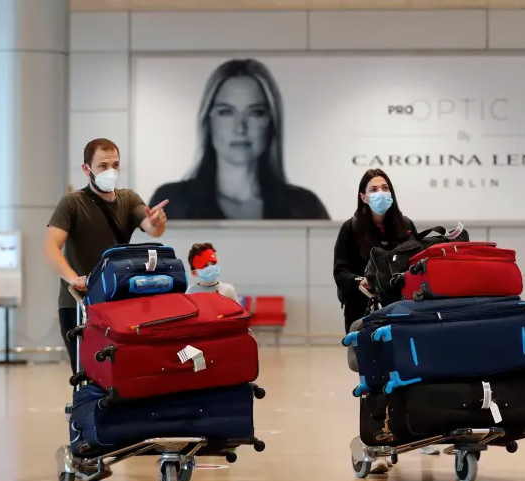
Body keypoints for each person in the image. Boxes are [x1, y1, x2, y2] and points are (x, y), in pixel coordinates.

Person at [332, 169, 439, 470]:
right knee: (373, 380)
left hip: (401, 312)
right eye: (374, 189)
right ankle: (375, 441)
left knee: (413, 371)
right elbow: (339, 270)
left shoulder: (404, 226)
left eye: (385, 187)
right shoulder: (350, 229)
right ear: (363, 197)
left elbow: (417, 263)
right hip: (364, 313)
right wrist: (357, 282)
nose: (381, 193)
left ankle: (422, 430)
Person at [45, 138, 170, 374]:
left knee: (121, 371)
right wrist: (73, 278)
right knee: (86, 373)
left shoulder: (129, 199)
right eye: (103, 166)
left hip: (118, 301)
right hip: (79, 303)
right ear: (86, 169)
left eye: (115, 164)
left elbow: (152, 228)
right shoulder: (72, 203)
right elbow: (50, 247)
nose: (110, 171)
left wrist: (156, 223)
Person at [149, 58, 329, 220]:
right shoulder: (171, 204)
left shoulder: (304, 207)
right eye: (226, 112)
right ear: (208, 121)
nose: (240, 128)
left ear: (271, 122)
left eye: (255, 113)